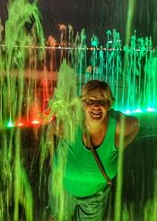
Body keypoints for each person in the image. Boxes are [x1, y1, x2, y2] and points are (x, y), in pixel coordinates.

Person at [48, 80, 140, 221]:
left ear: (109, 105)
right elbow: (51, 128)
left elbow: (136, 125)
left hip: (95, 197)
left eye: (103, 101)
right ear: (82, 104)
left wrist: (121, 145)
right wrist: (53, 159)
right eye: (90, 100)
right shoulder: (70, 123)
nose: (96, 106)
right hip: (62, 188)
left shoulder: (117, 127)